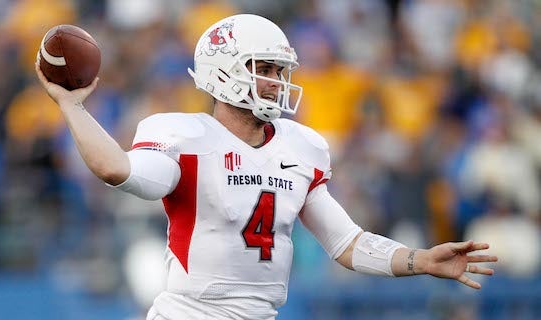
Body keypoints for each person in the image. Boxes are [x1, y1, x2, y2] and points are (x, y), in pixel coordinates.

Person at [35, 14, 498, 320]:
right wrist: (72, 107)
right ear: (224, 71)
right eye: (266, 69)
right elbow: (118, 170)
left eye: (280, 71)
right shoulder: (183, 134)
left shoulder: (302, 146)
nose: (278, 82)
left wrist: (420, 260)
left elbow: (347, 244)